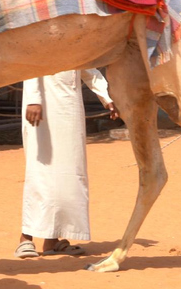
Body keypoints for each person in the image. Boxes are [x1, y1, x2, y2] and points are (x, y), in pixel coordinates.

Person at [14, 69, 119, 258]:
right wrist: (33, 99)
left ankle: (53, 241)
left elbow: (88, 70)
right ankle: (26, 238)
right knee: (40, 171)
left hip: (70, 109)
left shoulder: (77, 41)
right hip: (42, 106)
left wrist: (107, 97)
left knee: (70, 174)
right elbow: (32, 63)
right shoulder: (42, 38)